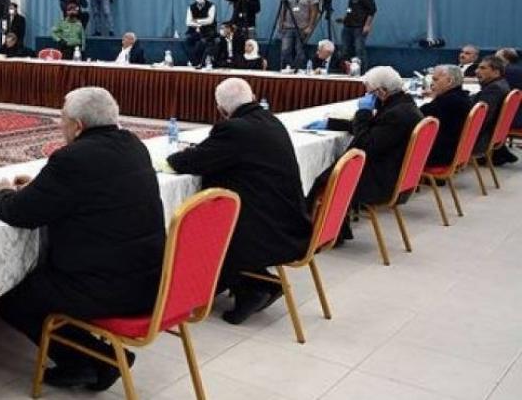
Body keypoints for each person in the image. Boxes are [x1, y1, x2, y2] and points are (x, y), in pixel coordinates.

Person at [0, 87, 165, 391]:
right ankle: (93, 358)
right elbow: (93, 193)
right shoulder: (133, 145)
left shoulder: (72, 159)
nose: (60, 125)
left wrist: (0, 193)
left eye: (62, 119)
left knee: (10, 294)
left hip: (106, 287)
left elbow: (20, 213)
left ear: (78, 125)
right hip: (149, 278)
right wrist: (42, 188)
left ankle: (96, 360)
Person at [167, 78, 311, 324]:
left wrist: (179, 155)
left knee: (205, 222)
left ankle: (250, 288)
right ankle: (254, 283)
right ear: (253, 97)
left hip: (268, 231)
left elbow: (188, 162)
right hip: (290, 221)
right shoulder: (271, 120)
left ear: (221, 110)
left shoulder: (234, 129)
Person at [303, 67, 421, 243]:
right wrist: (331, 123)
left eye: (369, 92)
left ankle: (314, 233)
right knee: (329, 171)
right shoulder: (402, 105)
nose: (366, 96)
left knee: (323, 178)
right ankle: (336, 231)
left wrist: (363, 112)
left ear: (381, 92)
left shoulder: (396, 115)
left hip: (382, 181)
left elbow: (364, 143)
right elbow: (374, 129)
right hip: (390, 170)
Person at [419, 65, 474, 167]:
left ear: (449, 81)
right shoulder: (462, 97)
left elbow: (419, 114)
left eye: (435, 79)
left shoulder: (447, 102)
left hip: (440, 155)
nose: (431, 84)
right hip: (455, 151)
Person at [473, 55, 514, 165]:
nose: (477, 71)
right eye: (478, 67)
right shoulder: (501, 84)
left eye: (483, 68)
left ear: (496, 72)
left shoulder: (494, 89)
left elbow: (482, 119)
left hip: (482, 140)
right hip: (493, 135)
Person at [277, 0, 319, 70]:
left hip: (302, 27)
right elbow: (283, 9)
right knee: (285, 49)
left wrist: (310, 26)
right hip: (288, 26)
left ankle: (298, 68)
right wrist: (281, 22)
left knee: (300, 50)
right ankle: (286, 67)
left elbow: (314, 12)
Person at [339, 0, 376, 69]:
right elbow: (351, 8)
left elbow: (372, 10)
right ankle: (347, 70)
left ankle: (362, 71)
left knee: (359, 50)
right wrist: (345, 17)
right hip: (348, 25)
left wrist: (367, 25)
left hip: (359, 26)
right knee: (345, 49)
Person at [183, 0, 217, 67]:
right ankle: (193, 61)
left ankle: (201, 62)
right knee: (187, 40)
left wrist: (197, 21)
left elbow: (210, 20)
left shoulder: (211, 6)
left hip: (208, 30)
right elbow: (188, 22)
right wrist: (198, 25)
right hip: (194, 30)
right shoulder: (191, 7)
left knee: (202, 42)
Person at [497, 47, 522, 131]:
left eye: (497, 59)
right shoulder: (518, 69)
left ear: (505, 59)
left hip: (513, 118)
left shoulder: (506, 72)